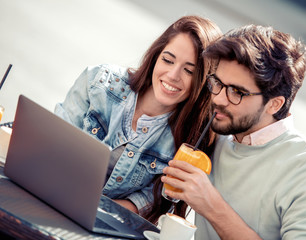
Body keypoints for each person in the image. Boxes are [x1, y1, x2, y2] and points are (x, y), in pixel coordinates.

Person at [161, 24, 306, 239]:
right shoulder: (217, 133)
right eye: (217, 83)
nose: (218, 99)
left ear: (274, 104)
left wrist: (212, 206)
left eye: (237, 92)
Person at [55, 15, 222, 220]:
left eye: (189, 71)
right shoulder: (99, 81)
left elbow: (154, 199)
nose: (172, 75)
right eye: (168, 60)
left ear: (203, 81)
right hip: (51, 194)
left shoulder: (190, 141)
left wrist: (95, 211)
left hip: (104, 224)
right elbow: (54, 138)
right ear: (156, 56)